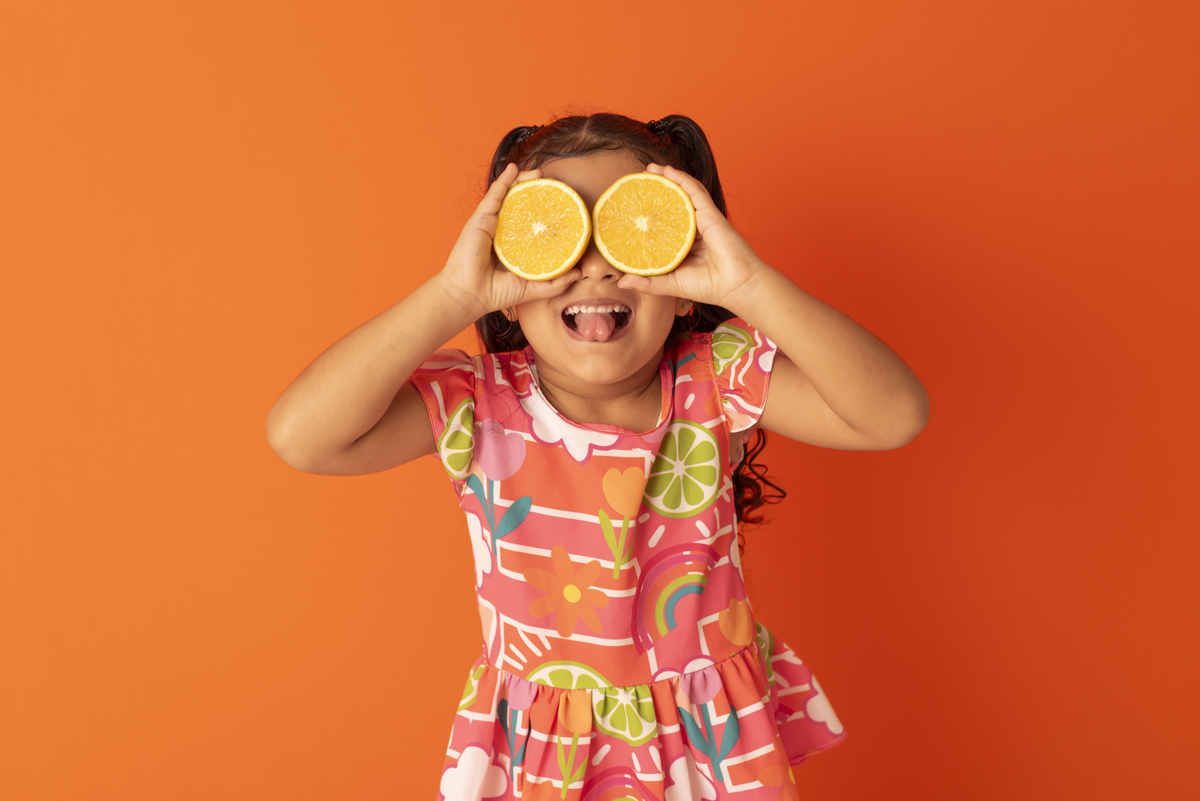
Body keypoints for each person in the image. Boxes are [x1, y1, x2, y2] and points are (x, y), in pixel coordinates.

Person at [266, 113, 929, 800]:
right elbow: (300, 437)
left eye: (629, 232)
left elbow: (893, 415)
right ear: (509, 288)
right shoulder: (477, 400)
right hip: (543, 760)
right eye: (557, 237)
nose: (594, 264)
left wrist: (749, 286)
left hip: (707, 751)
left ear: (683, 286)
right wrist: (453, 295)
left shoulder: (716, 379)